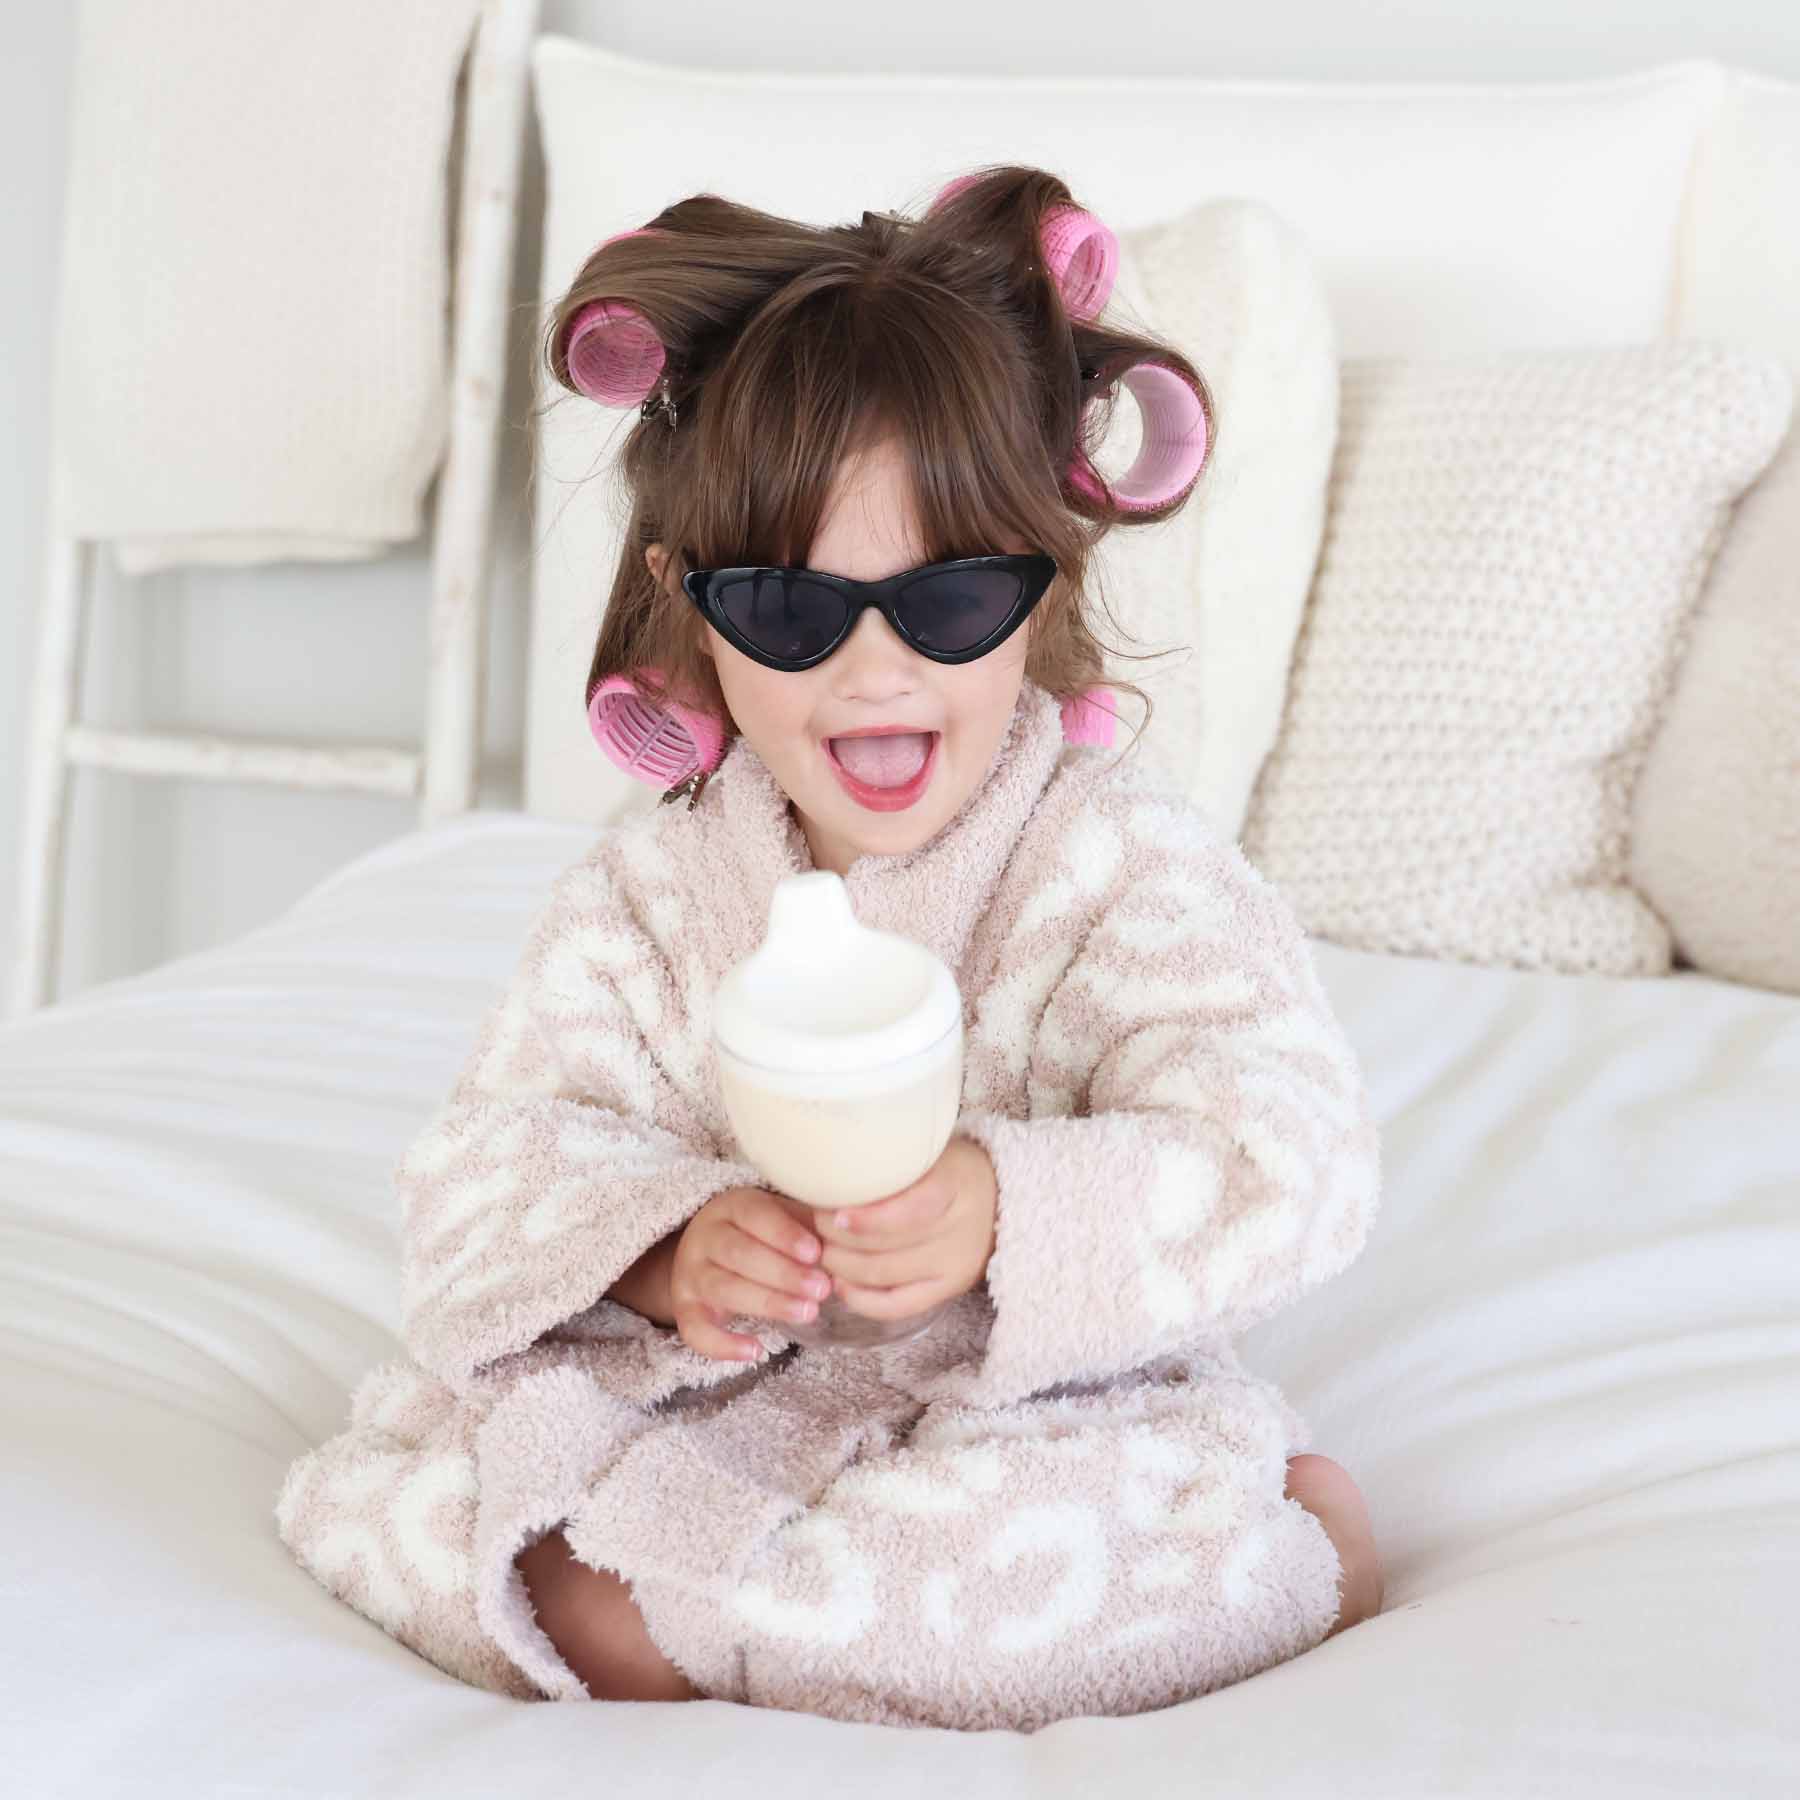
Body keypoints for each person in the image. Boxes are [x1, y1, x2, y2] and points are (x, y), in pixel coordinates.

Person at [275, 164, 1383, 1732]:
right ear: (695, 607)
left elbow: (1293, 1146)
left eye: (948, 599)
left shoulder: (1114, 867)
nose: (875, 671)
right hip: (711, 1402)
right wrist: (667, 1250)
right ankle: (744, 1618)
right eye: (796, 610)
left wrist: (1008, 1212)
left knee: (1042, 1565)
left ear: (1044, 581)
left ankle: (1281, 1536)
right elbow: (486, 1171)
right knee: (410, 1501)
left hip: (1026, 1417)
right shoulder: (649, 897)